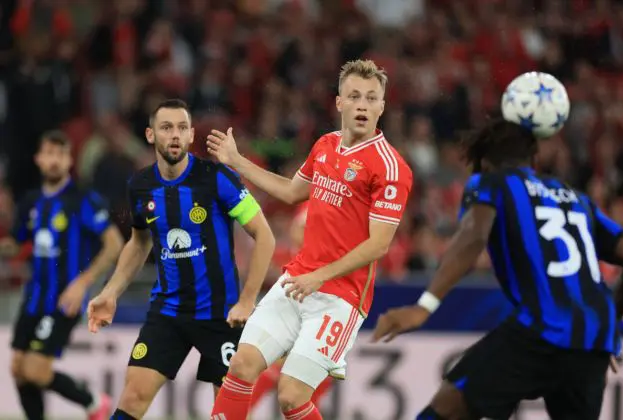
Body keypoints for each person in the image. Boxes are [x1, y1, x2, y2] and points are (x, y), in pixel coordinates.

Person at [372, 119, 623, 420]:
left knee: (445, 409)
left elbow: (473, 237)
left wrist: (425, 305)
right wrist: (610, 316)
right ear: (534, 159)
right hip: (593, 337)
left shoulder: (493, 184)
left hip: (541, 327)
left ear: (484, 162)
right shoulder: (577, 199)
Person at [206, 59, 413, 420]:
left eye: (371, 98)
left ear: (382, 106)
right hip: (296, 281)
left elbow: (379, 244)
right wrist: (238, 161)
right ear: (339, 103)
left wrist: (322, 275)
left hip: (341, 297)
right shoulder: (325, 145)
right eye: (354, 96)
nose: (362, 105)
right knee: (240, 366)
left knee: (291, 397)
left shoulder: (391, 167)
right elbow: (290, 192)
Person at [86, 99, 276, 420]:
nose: (175, 135)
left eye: (182, 128)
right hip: (169, 312)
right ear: (150, 135)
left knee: (228, 412)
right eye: (166, 127)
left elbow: (265, 236)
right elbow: (139, 242)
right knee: (132, 396)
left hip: (222, 315)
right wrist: (111, 292)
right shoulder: (140, 186)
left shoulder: (216, 178)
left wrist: (246, 301)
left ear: (190, 136)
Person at [1, 130, 124, 420]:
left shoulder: (82, 199)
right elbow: (17, 243)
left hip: (63, 299)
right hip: (34, 297)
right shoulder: (31, 201)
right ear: (38, 159)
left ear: (69, 160)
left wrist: (83, 283)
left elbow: (114, 243)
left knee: (34, 368)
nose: (54, 160)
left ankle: (93, 401)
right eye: (49, 154)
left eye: (61, 154)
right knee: (19, 369)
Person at [249, 203, 334, 417]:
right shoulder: (283, 255)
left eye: (308, 228)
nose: (303, 233)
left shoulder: (329, 264)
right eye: (301, 227)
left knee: (302, 398)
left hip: (315, 332)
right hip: (286, 331)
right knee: (262, 382)